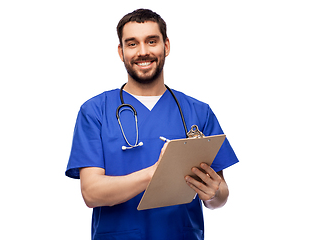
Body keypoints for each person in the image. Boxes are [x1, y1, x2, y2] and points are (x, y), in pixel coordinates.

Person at [66, 9, 239, 240]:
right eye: (132, 43)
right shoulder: (95, 111)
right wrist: (155, 174)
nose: (143, 52)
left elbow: (220, 195)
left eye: (151, 41)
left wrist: (214, 194)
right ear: (121, 52)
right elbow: (91, 192)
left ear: (166, 46)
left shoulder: (198, 112)